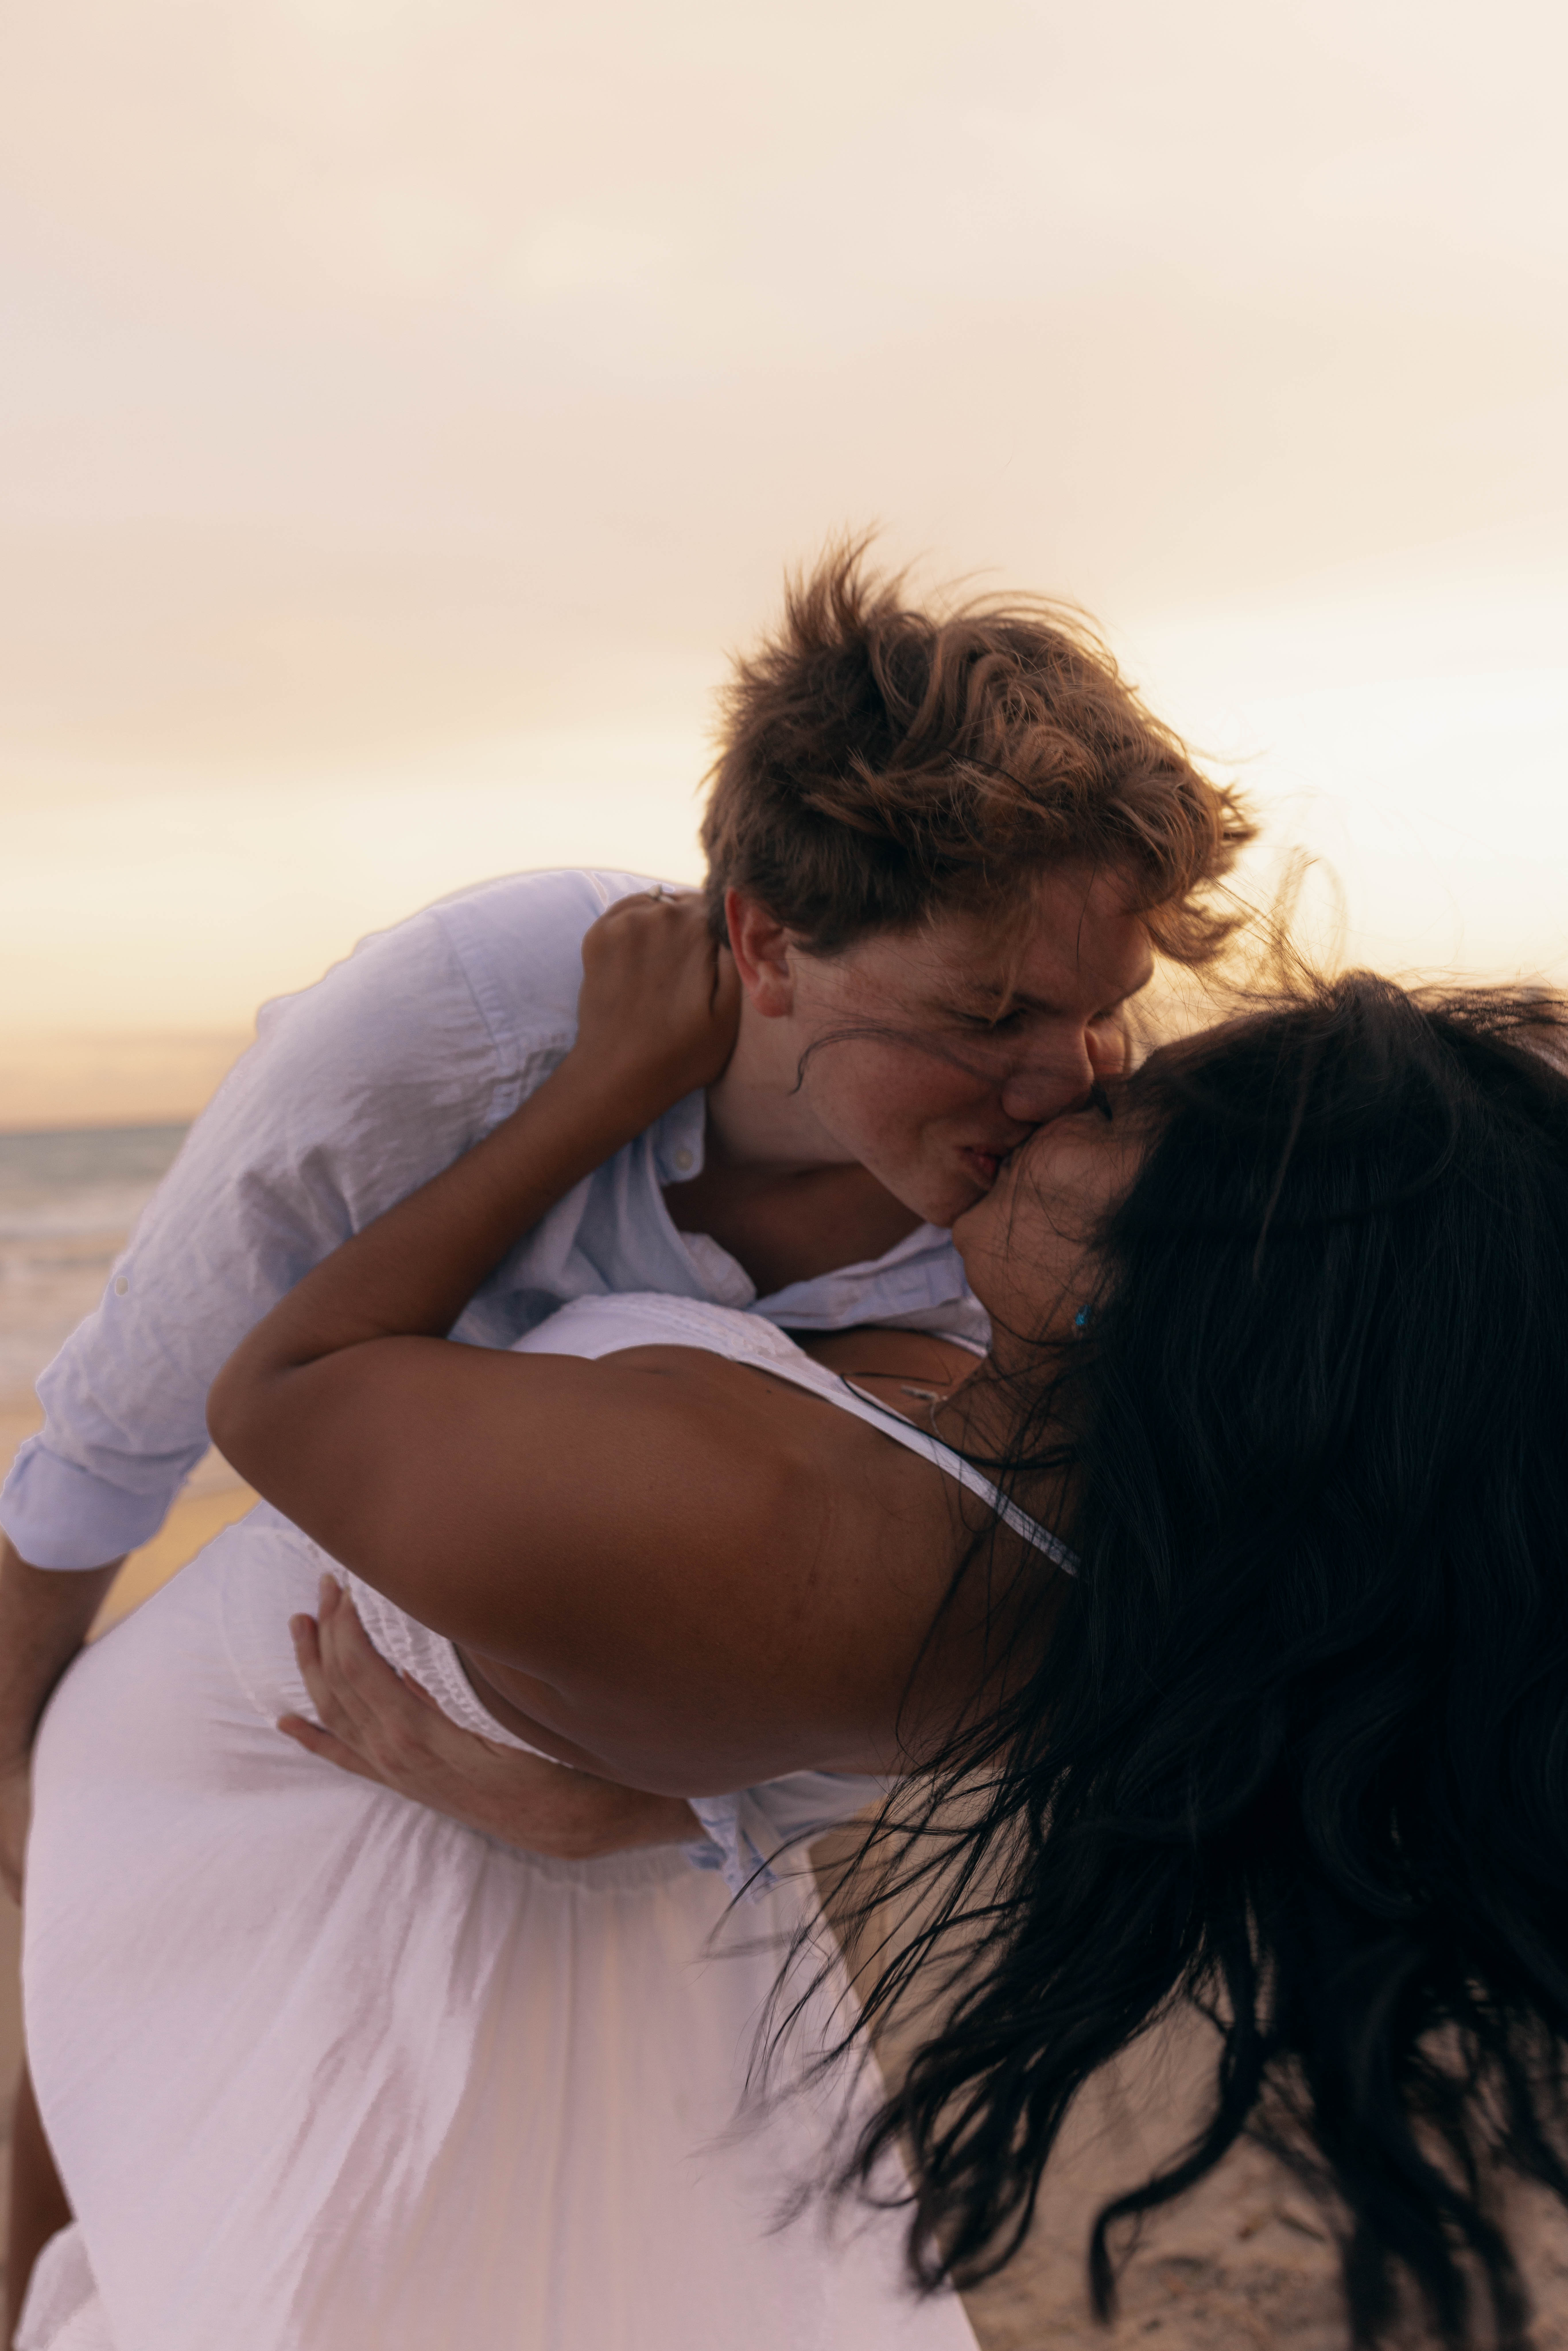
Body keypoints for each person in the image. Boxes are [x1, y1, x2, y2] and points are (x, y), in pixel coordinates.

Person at [21, 920, 1568, 2351]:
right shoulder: (1080, 1508)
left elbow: (284, 1390)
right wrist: (678, 1811)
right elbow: (804, 1737)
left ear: (1172, 1285)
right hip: (338, 1853)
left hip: (273, 1850)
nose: (1067, 1086)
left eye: (1110, 1112)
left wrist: (596, 1087)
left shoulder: (788, 1529)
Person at [0, 544, 1249, 1904]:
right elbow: (151, 1373)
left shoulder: (1041, 1216)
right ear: (767, 945)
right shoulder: (488, 1007)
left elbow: (945, 1620)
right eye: (988, 1012)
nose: (1071, 1077)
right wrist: (16, 1737)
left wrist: (663, 1814)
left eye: (1103, 1004)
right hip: (314, 1661)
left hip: (589, 1790)